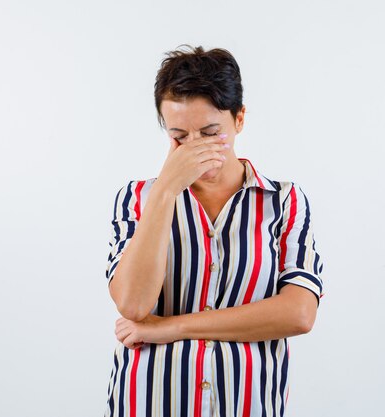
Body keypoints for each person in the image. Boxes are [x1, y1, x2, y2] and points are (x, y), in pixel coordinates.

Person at [103, 44, 325, 417]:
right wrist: (166, 192)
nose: (195, 148)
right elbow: (133, 304)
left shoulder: (284, 201)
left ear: (239, 119)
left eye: (210, 132)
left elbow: (299, 314)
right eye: (179, 136)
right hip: (150, 402)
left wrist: (169, 328)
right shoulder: (137, 198)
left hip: (247, 404)